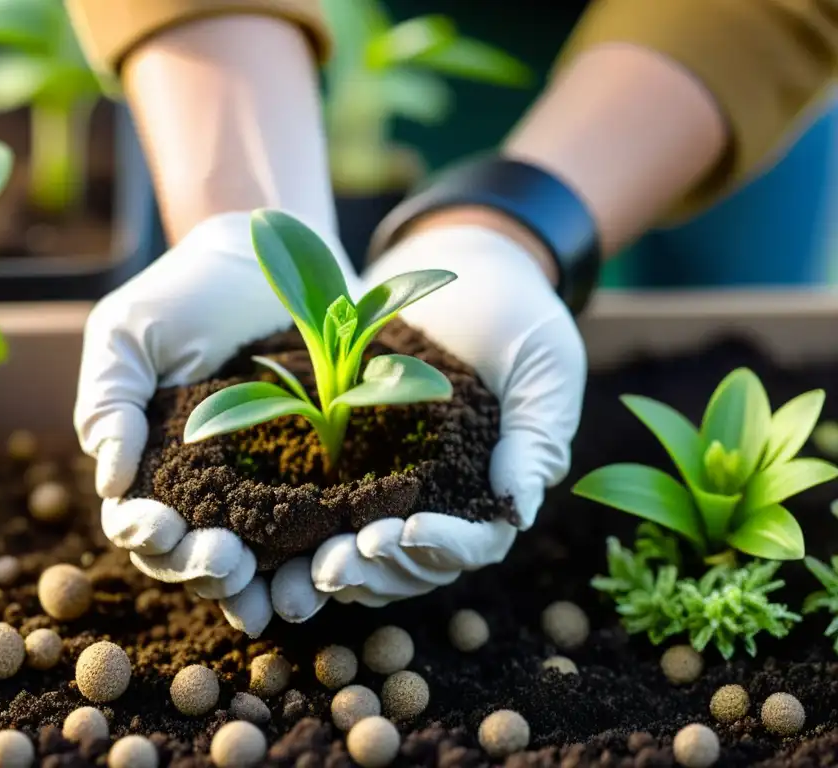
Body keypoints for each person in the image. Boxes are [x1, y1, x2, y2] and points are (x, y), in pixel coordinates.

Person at [67, 0, 838, 636]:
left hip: (711, 56)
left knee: (705, 314)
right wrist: (239, 212)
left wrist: (514, 229)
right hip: (318, 36)